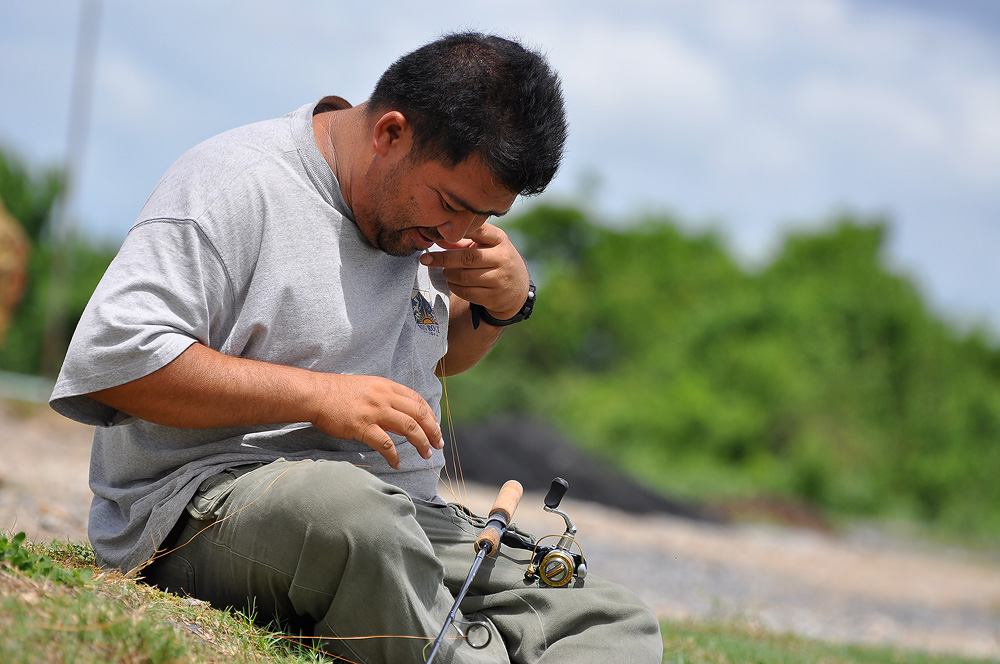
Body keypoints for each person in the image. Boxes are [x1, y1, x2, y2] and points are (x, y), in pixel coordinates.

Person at [50, 32, 662, 662]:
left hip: (401, 521)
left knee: (615, 624)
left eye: (484, 216)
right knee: (358, 521)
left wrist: (499, 309)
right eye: (452, 204)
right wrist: (315, 396)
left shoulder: (418, 218)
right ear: (391, 132)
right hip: (206, 507)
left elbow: (439, 357)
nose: (460, 233)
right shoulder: (233, 181)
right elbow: (114, 362)